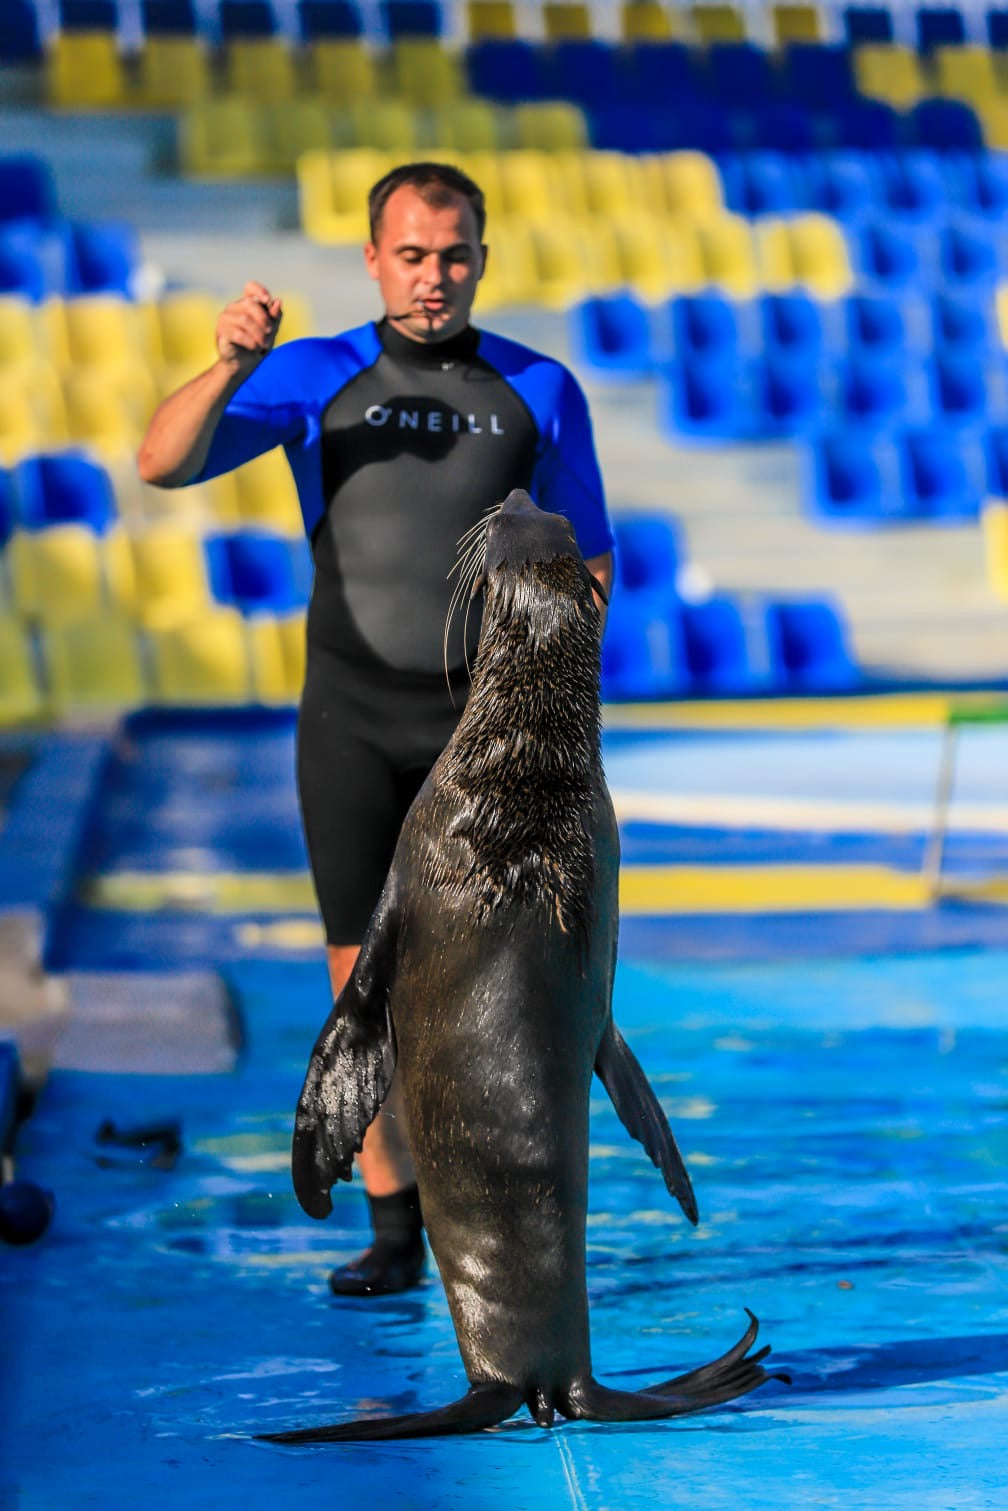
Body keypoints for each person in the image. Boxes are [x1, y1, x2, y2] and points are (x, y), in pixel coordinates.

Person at [137, 161, 615, 1296]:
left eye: (454, 255)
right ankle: (394, 1222)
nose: (433, 277)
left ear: (483, 258)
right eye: (411, 254)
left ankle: (487, 1228)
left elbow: (590, 555)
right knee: (366, 990)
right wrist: (228, 369)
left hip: (481, 737)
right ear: (372, 258)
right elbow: (160, 462)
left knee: (497, 994)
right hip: (350, 720)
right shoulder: (315, 375)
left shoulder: (538, 388)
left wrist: (554, 711)